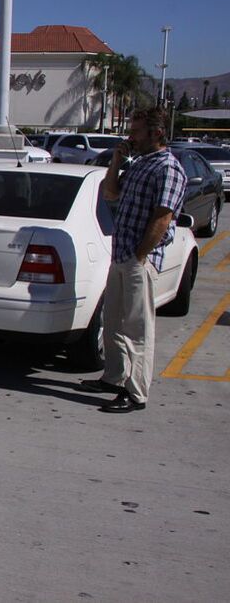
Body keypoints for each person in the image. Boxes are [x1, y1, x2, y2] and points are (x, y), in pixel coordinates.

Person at [78, 107, 187, 413]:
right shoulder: (139, 164)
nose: (131, 136)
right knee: (113, 321)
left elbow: (163, 217)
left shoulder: (167, 168)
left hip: (140, 260)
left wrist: (140, 256)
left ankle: (136, 392)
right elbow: (111, 194)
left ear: (157, 133)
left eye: (136, 131)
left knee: (138, 329)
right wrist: (116, 160)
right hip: (121, 254)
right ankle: (113, 377)